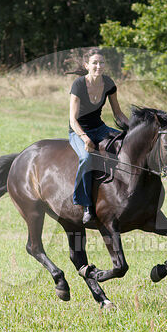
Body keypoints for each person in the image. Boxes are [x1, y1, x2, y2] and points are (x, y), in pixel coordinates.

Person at [68, 48, 129, 224]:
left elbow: (118, 113)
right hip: (78, 131)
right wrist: (85, 138)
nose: (98, 66)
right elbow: (73, 119)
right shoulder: (78, 85)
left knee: (127, 144)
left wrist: (131, 129)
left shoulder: (109, 83)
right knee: (86, 158)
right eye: (95, 62)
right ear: (87, 65)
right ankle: (86, 204)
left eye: (101, 62)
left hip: (100, 128)